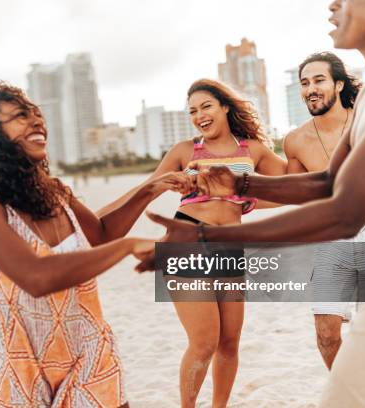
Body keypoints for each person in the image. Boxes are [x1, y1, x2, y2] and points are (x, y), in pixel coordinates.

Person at [138, 1, 365, 406]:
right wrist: (240, 181)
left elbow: (343, 213)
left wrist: (209, 235)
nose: (332, 5)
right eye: (304, 81)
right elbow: (326, 182)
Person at [0, 81, 194, 407]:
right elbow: (36, 278)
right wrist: (127, 247)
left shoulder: (55, 192)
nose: (35, 121)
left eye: (36, 114)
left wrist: (150, 189)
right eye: (19, 116)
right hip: (22, 365)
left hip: (89, 349)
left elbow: (98, 236)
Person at [101, 79, 286, 408]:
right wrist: (93, 219)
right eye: (193, 111)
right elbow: (144, 191)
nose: (199, 115)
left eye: (206, 106)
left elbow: (288, 188)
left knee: (230, 341)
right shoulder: (185, 151)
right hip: (186, 240)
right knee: (204, 342)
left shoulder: (253, 150)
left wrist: (247, 200)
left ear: (225, 107)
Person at [285, 51, 365, 369]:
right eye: (304, 82)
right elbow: (297, 192)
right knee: (326, 334)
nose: (310, 88)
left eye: (318, 80)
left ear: (338, 84)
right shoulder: (296, 141)